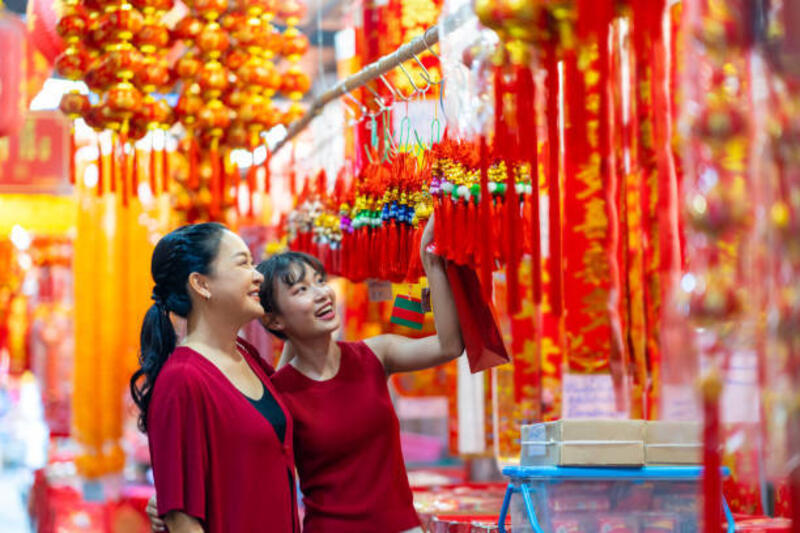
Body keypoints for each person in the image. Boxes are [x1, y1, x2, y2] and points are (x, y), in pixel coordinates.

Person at [260, 214, 464, 533]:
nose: (321, 294)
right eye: (301, 289)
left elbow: (449, 345)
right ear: (274, 321)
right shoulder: (277, 393)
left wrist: (432, 264)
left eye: (319, 281)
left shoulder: (374, 354)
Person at [131, 222, 299, 533]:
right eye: (243, 263)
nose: (259, 275)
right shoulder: (182, 380)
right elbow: (183, 521)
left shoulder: (246, 355)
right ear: (201, 284)